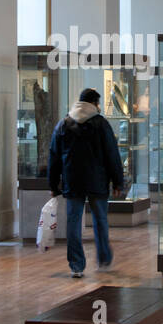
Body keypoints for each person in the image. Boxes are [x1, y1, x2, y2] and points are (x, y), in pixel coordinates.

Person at [49, 87, 126, 278]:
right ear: (95, 103)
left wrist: (53, 185)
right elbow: (112, 155)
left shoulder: (63, 124)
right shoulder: (101, 124)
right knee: (100, 220)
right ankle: (104, 259)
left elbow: (54, 156)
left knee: (73, 222)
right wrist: (118, 182)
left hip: (72, 181)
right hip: (97, 181)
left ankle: (76, 265)